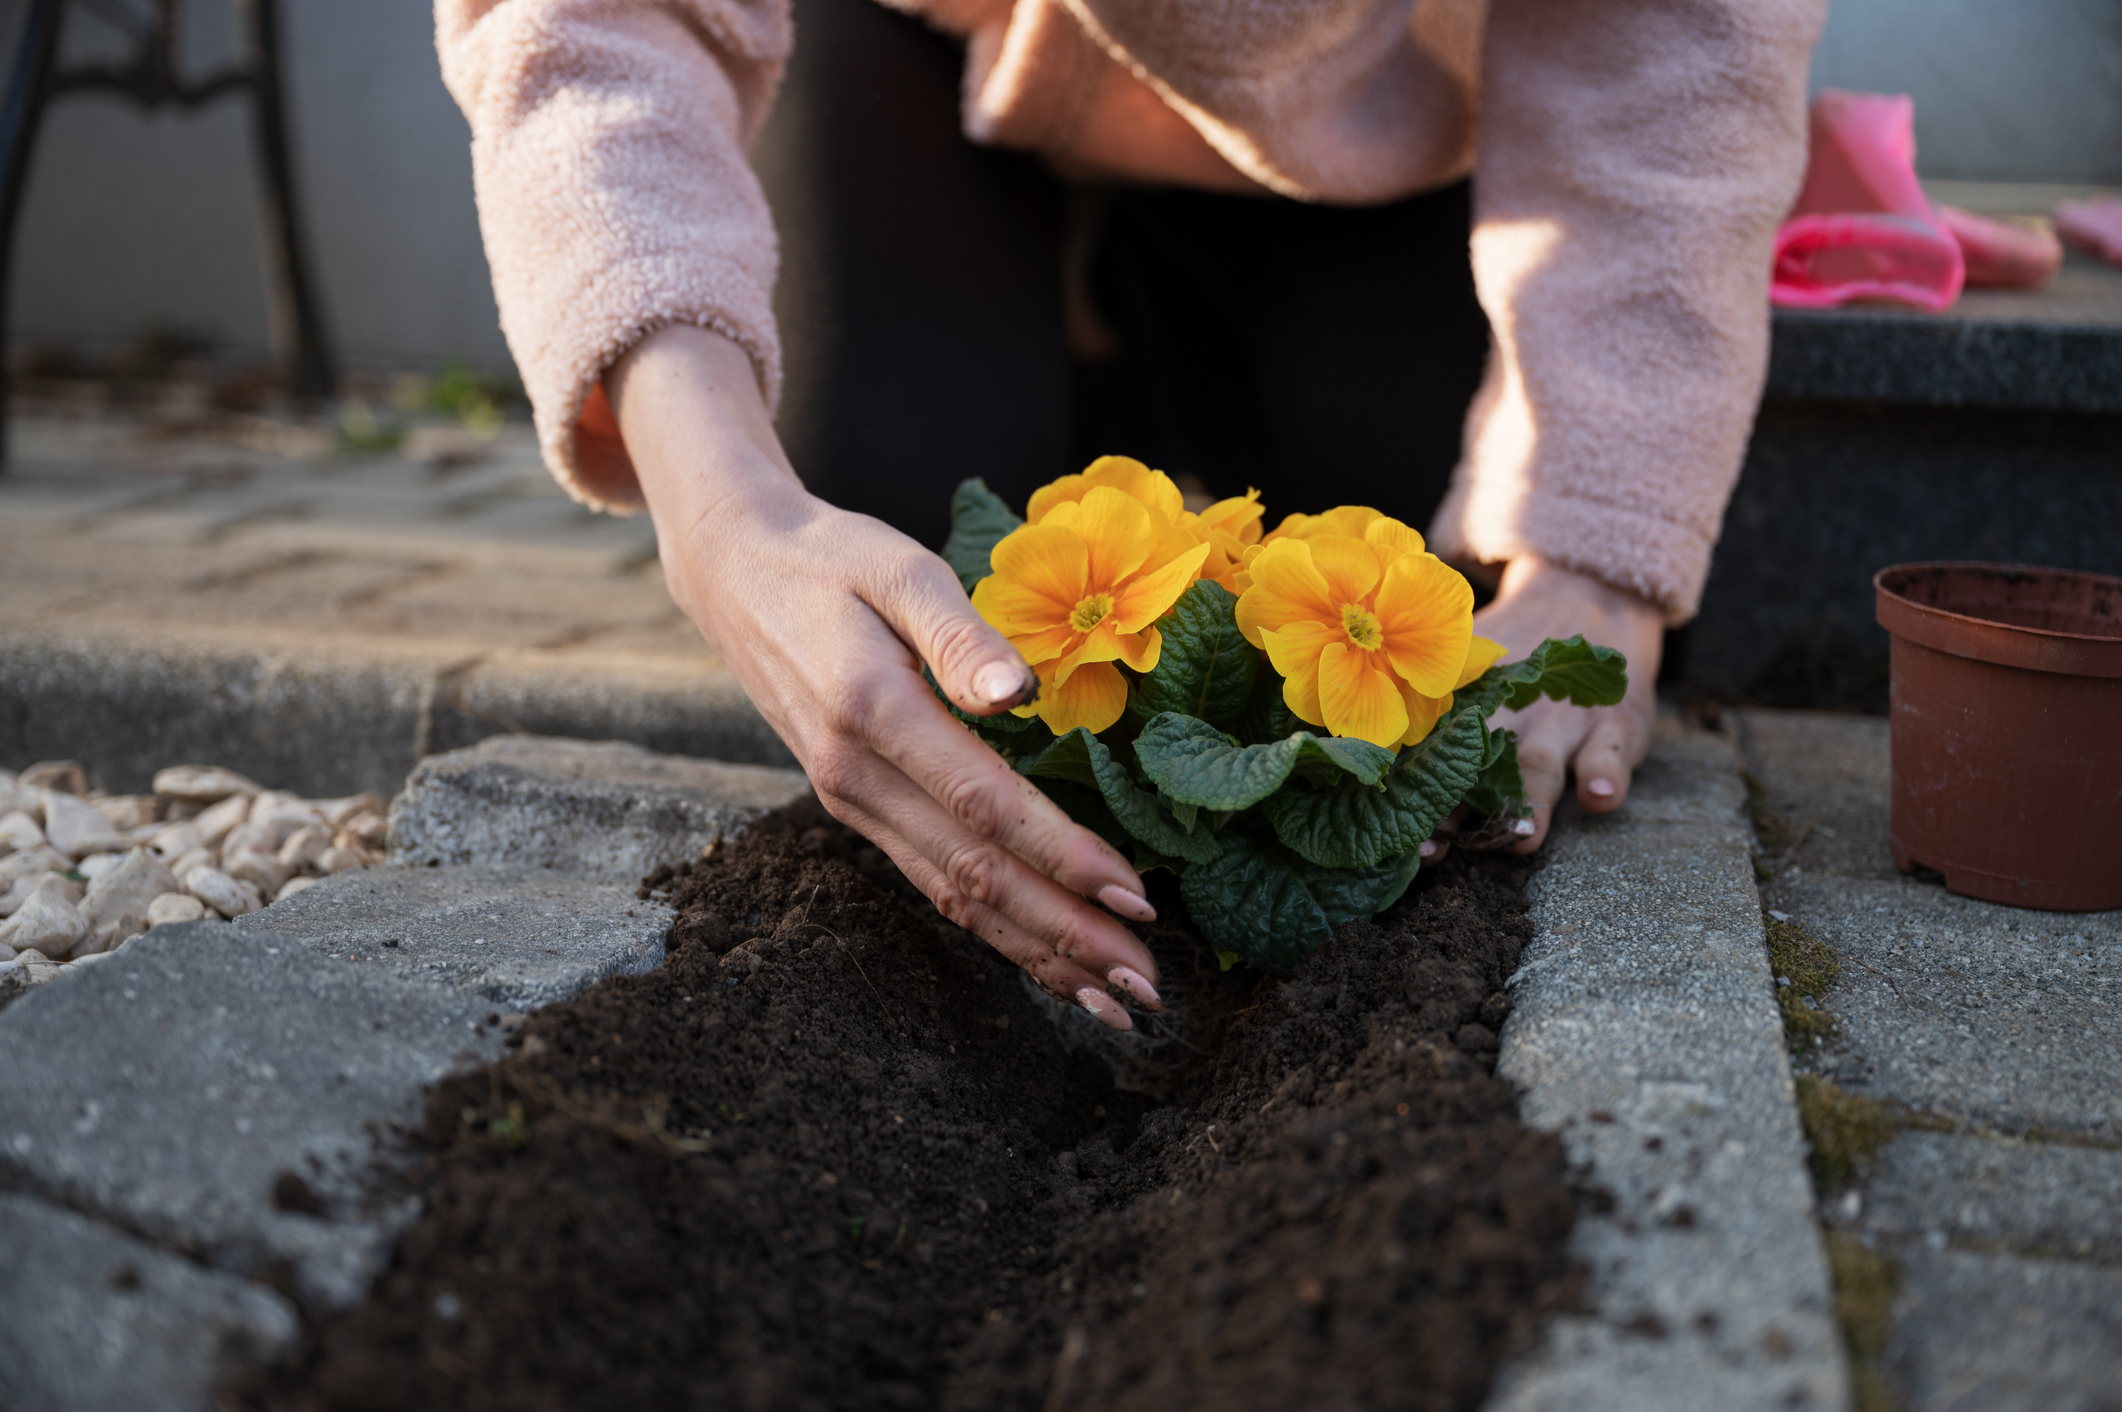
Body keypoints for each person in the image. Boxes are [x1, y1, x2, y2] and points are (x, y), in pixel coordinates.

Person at [435, 0, 1823, 1027]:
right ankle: (1085, 353)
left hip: (1371, 108)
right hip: (921, 58)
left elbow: (1682, 43)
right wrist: (717, 504)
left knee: (1427, 630)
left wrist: (1594, 552)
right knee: (903, 550)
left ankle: (1118, 349)